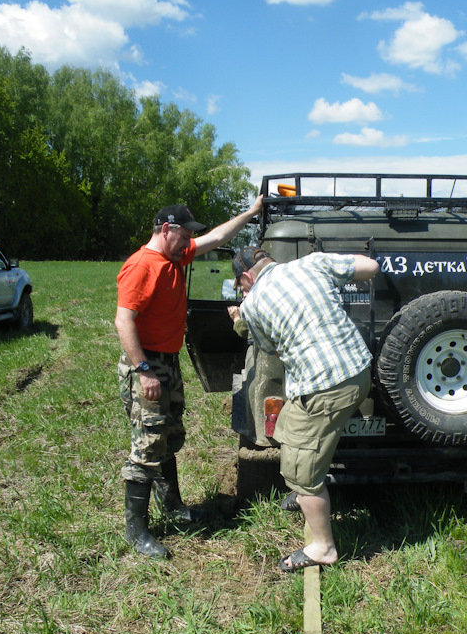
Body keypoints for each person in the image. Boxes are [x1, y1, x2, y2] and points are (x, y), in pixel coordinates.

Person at [115, 195, 263, 558]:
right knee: (148, 444)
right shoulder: (142, 266)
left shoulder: (174, 256)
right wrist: (144, 370)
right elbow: (123, 321)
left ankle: (173, 506)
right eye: (184, 235)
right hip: (147, 365)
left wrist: (251, 213)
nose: (189, 243)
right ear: (167, 230)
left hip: (167, 360)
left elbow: (214, 238)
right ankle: (137, 531)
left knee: (168, 434)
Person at [233, 246, 381, 573]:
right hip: (358, 371)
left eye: (241, 286)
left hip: (325, 386)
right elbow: (369, 266)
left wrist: (240, 317)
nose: (243, 291)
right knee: (287, 424)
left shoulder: (253, 303)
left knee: (299, 472)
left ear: (247, 276)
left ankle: (323, 547)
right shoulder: (312, 264)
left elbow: (268, 348)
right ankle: (306, 485)